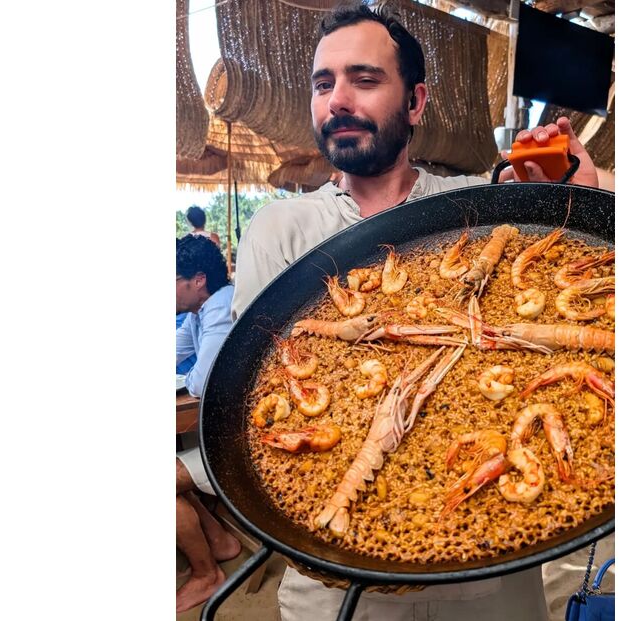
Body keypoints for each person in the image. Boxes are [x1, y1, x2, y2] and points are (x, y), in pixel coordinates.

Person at [230, 3, 604, 619]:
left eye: (365, 79)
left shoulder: (477, 205)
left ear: (416, 101)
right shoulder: (280, 229)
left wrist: (580, 201)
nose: (338, 99)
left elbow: (558, 239)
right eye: (323, 84)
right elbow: (254, 385)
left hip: (492, 580)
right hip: (330, 592)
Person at [175, 234, 240, 612]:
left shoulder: (224, 307)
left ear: (197, 280)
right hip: (217, 432)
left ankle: (206, 575)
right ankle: (221, 544)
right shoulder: (200, 313)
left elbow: (202, 380)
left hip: (236, 444)